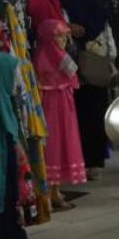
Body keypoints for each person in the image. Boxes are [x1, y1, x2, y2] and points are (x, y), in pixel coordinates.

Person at [60, 0, 114, 182]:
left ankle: (91, 161)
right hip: (78, 70)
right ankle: (83, 161)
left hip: (80, 71)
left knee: (89, 116)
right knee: (84, 116)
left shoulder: (96, 7)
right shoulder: (95, 7)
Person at [34, 18, 87, 209]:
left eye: (65, 36)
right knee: (53, 145)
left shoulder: (52, 54)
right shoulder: (49, 56)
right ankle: (47, 193)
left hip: (62, 104)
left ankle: (54, 191)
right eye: (59, 36)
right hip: (51, 106)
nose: (63, 41)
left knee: (61, 143)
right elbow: (72, 71)